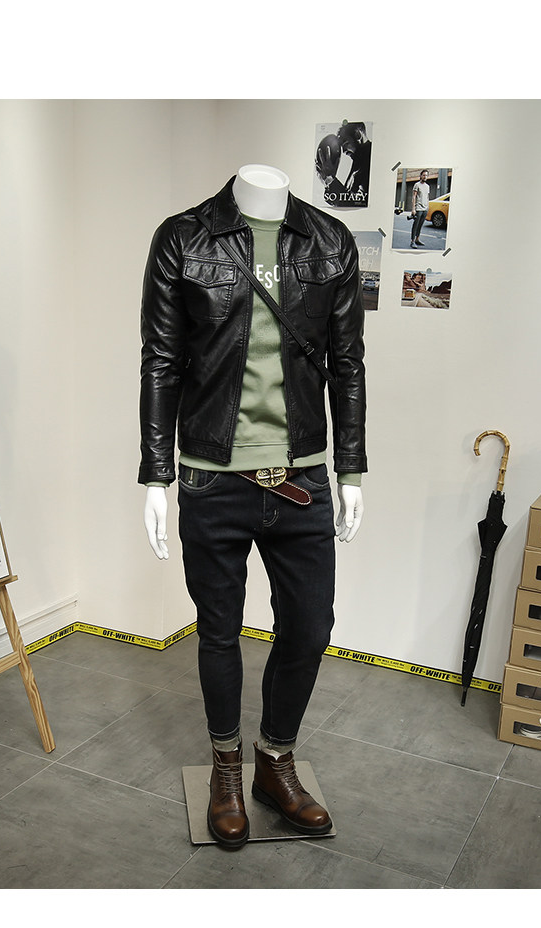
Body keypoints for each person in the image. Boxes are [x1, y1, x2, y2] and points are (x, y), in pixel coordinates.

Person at [139, 164, 367, 849]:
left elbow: (348, 362)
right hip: (213, 478)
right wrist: (157, 476)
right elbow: (161, 360)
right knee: (219, 632)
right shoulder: (183, 238)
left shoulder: (329, 240)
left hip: (301, 476)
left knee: (310, 627)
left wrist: (350, 469)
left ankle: (274, 760)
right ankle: (226, 770)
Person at [410, 169, 430, 248]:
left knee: (420, 225)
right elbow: (414, 197)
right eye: (424, 175)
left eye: (426, 175)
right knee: (415, 225)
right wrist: (413, 209)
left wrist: (427, 206)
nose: (425, 177)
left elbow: (427, 197)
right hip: (418, 208)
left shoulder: (427, 186)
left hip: (425, 209)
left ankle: (417, 239)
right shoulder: (417, 185)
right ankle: (412, 241)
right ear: (421, 176)